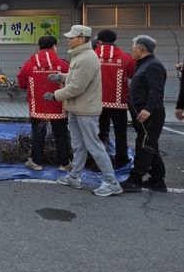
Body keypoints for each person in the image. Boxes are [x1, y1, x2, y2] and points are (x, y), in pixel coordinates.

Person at [45, 25, 123, 197]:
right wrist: (61, 77)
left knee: (94, 146)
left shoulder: (87, 57)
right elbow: (76, 78)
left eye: (71, 37)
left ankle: (112, 182)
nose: (68, 40)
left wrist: (55, 95)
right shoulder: (80, 55)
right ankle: (74, 176)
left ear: (82, 38)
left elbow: (77, 87)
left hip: (86, 110)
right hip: (77, 108)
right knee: (78, 145)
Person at [17, 35, 71, 171]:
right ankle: (64, 163)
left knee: (38, 134)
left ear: (39, 47)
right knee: (61, 134)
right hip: (58, 105)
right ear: (54, 47)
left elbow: (22, 83)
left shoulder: (29, 64)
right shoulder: (63, 64)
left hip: (37, 106)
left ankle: (36, 162)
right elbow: (72, 82)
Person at [121, 35, 168, 193]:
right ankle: (157, 180)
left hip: (150, 114)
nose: (131, 50)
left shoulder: (153, 66)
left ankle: (135, 179)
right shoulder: (143, 64)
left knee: (144, 145)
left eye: (132, 47)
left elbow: (156, 91)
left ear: (140, 49)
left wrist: (148, 109)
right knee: (150, 145)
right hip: (141, 113)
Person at [95, 29, 135, 168]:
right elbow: (132, 74)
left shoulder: (91, 56)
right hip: (119, 102)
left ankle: (98, 161)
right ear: (114, 40)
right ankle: (121, 159)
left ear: (99, 41)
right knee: (120, 133)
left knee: (98, 133)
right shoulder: (125, 57)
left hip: (95, 102)